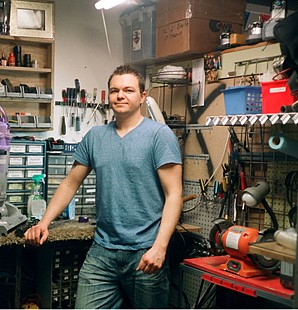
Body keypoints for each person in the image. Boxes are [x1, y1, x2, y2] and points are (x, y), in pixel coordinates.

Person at [24, 64, 183, 308]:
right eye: (114, 90)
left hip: (146, 251)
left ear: (142, 96)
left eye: (128, 90)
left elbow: (174, 195)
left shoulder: (159, 136)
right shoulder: (95, 136)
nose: (120, 95)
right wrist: (44, 223)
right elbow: (69, 183)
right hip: (103, 252)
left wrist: (160, 247)